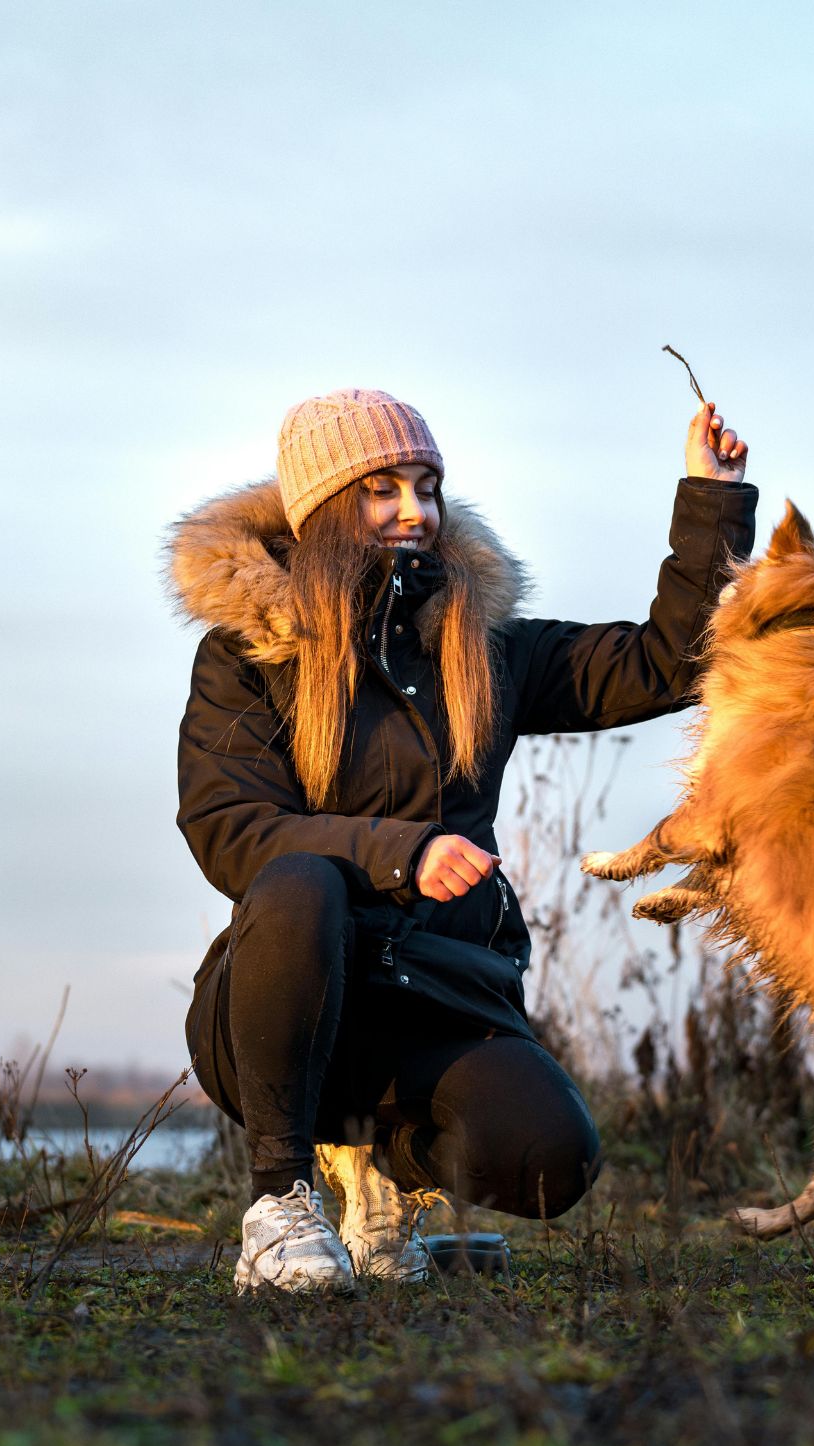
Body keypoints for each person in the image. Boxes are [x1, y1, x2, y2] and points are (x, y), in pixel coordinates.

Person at [166, 386, 756, 1292]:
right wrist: (403, 855)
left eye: (428, 487)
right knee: (298, 881)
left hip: (437, 995)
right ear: (321, 508)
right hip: (285, 1008)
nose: (416, 511)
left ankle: (382, 1181)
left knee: (550, 1158)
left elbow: (665, 664)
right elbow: (230, 827)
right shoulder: (246, 656)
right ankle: (280, 1206)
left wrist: (711, 500)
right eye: (383, 489)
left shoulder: (484, 648)